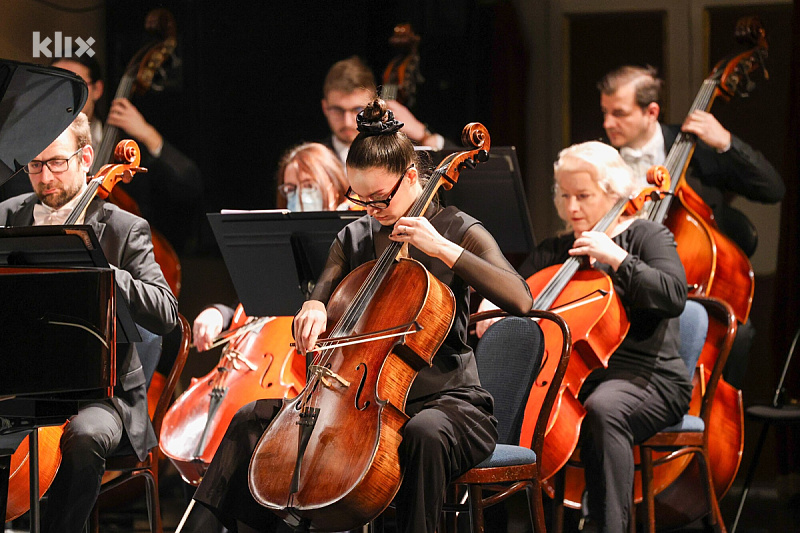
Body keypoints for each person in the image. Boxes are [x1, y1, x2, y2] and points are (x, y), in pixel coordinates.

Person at [191, 98, 533, 533]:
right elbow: (323, 291)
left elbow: (520, 300)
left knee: (423, 434)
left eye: (380, 199)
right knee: (249, 422)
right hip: (359, 404)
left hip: (449, 405)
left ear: (411, 177)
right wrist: (312, 307)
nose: (372, 210)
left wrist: (442, 248)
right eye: (362, 199)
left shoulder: (458, 229)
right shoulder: (354, 236)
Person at [0, 113, 179, 532]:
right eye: (35, 165)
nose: (44, 177)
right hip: (20, 385)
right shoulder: (7, 217)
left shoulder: (123, 228)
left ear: (84, 159)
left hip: (101, 396)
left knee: (85, 437)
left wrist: (104, 270)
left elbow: (166, 312)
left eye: (56, 163)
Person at [514, 141, 690, 532]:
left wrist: (617, 259)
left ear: (613, 194)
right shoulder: (557, 250)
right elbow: (517, 297)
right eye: (564, 196)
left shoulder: (647, 238)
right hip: (577, 380)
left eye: (583, 196)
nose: (572, 208)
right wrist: (495, 315)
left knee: (605, 409)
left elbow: (673, 295)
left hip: (650, 378)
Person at [597, 65, 784, 246]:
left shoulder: (696, 147)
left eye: (619, 114)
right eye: (605, 112)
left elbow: (772, 190)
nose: (607, 123)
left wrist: (726, 142)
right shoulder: (597, 158)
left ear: (651, 112)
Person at [192, 141, 351, 351]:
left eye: (310, 185)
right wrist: (220, 312)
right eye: (291, 189)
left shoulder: (354, 237)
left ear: (336, 185)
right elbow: (259, 305)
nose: (300, 196)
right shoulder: (285, 241)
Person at [50, 55, 203, 252]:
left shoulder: (127, 148)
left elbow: (190, 186)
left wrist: (149, 135)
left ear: (97, 89)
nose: (63, 95)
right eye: (55, 86)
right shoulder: (33, 151)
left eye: (74, 84)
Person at [319, 56, 446, 164]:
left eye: (357, 109)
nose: (347, 122)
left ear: (374, 105)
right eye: (337, 110)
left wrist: (423, 134)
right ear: (325, 107)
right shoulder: (310, 161)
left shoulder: (400, 156)